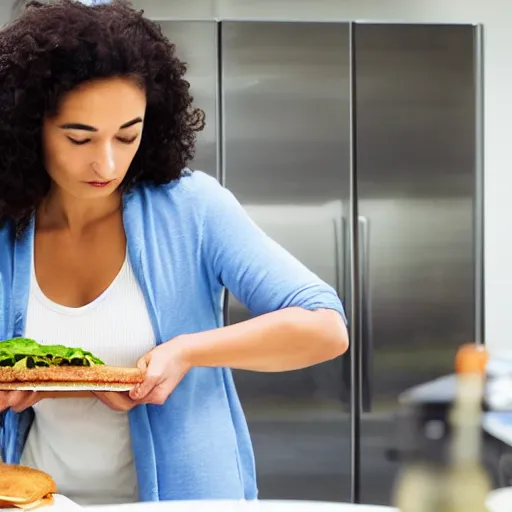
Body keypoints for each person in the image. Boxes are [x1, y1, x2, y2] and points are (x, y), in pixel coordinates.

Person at [0, 0, 349, 506]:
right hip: (38, 499)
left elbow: (324, 326)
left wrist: (186, 352)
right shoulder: (10, 223)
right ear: (28, 128)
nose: (107, 161)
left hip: (183, 501)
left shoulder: (192, 209)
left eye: (128, 134)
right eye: (79, 137)